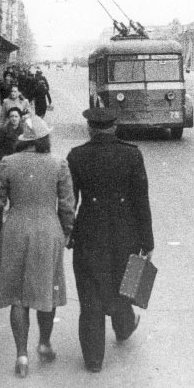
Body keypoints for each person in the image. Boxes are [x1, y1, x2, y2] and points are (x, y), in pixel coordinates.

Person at [67, 108, 154, 373]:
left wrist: (69, 233)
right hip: (125, 232)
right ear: (114, 127)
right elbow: (141, 200)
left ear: (90, 128)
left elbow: (70, 201)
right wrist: (147, 241)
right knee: (124, 281)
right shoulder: (131, 154)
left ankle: (94, 360)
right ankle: (124, 327)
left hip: (90, 232)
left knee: (91, 294)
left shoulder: (77, 155)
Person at [0, 116, 75, 378]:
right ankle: (44, 343)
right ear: (44, 139)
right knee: (46, 290)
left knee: (17, 296)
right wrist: (66, 232)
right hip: (48, 231)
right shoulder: (58, 164)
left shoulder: (8, 163)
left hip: (15, 230)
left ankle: (21, 355)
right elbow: (67, 206)